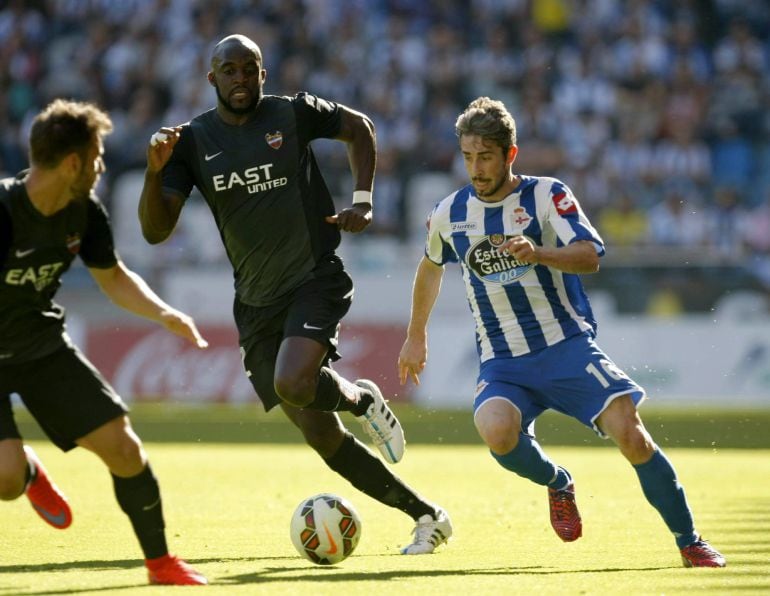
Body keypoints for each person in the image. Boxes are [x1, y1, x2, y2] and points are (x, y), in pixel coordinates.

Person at [137, 34, 452, 554]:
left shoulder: (293, 113)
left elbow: (360, 129)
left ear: (263, 74)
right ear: (211, 78)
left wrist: (364, 200)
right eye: (229, 70)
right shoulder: (191, 142)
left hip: (314, 277)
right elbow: (154, 230)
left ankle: (357, 400)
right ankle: (427, 515)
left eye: (250, 69)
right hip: (254, 301)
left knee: (294, 380)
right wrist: (154, 173)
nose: (240, 78)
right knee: (321, 436)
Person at [398, 96, 726, 568]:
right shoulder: (449, 212)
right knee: (495, 430)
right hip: (503, 359)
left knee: (632, 436)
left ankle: (690, 540)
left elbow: (591, 254)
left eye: (485, 157)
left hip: (566, 346)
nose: (476, 168)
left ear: (510, 154)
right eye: (468, 157)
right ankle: (558, 482)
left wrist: (539, 253)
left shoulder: (546, 195)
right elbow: (430, 267)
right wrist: (416, 335)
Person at [0, 99, 209, 585]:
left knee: (124, 448)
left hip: (41, 348)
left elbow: (112, 277)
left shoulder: (84, 213)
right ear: (73, 162)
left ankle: (161, 564)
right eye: (96, 157)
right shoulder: (4, 212)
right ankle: (28, 472)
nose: (100, 167)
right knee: (6, 481)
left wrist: (163, 313)